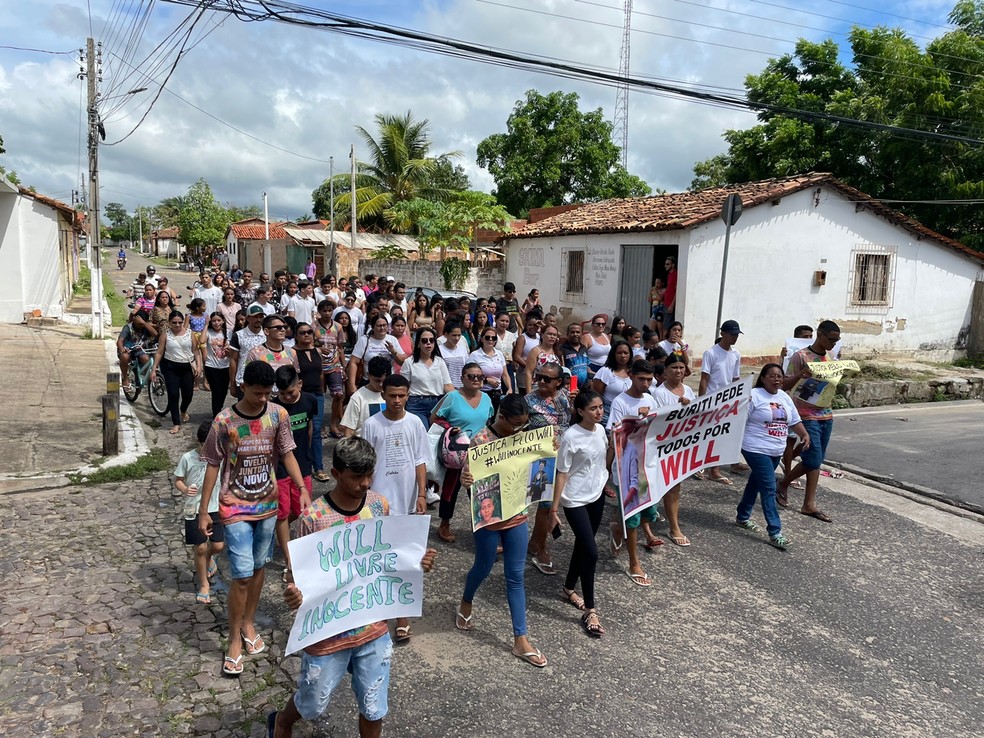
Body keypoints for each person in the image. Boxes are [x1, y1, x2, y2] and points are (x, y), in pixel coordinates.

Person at [270, 437, 437, 738]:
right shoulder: (312, 519)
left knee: (374, 707)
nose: (365, 483)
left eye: (369, 475)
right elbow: (297, 579)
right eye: (357, 477)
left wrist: (417, 563)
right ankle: (283, 721)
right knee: (312, 704)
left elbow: (389, 558)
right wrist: (293, 594)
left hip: (372, 630)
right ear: (335, 474)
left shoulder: (379, 505)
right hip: (327, 636)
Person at [199, 361, 308, 678]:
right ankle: (234, 639)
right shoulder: (224, 421)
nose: (263, 399)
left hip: (267, 505)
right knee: (242, 574)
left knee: (259, 567)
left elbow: (287, 453)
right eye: (257, 393)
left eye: (267, 394)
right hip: (234, 506)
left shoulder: (278, 416)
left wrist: (301, 487)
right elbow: (211, 464)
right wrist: (205, 510)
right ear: (243, 386)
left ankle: (249, 621)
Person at [456, 395, 546, 668]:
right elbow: (474, 488)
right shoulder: (481, 441)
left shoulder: (526, 438)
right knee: (482, 568)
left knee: (515, 576)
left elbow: (539, 465)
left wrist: (548, 449)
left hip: (518, 516)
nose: (520, 429)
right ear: (501, 417)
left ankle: (521, 639)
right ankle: (466, 600)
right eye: (516, 424)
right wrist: (466, 480)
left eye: (524, 424)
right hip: (489, 521)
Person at [362, 374, 429, 643]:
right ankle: (376, 614)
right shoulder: (371, 424)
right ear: (383, 395)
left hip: (407, 503)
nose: (397, 401)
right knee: (377, 560)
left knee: (406, 560)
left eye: (402, 396)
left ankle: (402, 618)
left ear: (408, 395)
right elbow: (365, 465)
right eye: (392, 395)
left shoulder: (415, 424)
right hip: (377, 504)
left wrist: (422, 494)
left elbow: (420, 460)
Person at [547, 390, 607, 637]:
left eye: (601, 407)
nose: (599, 412)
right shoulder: (571, 437)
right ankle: (590, 609)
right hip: (575, 499)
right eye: (593, 408)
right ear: (580, 411)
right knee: (591, 552)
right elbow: (562, 472)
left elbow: (604, 460)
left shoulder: (601, 431)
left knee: (584, 547)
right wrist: (554, 508)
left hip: (597, 493)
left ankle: (569, 587)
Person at [737, 364, 811, 550]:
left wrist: (804, 434)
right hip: (755, 448)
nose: (777, 379)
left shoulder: (784, 396)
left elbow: (794, 420)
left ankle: (742, 516)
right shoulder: (754, 396)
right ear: (763, 378)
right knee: (769, 488)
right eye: (772, 376)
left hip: (776, 450)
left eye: (780, 376)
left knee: (755, 482)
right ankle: (775, 531)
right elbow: (738, 421)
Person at [778, 320, 842, 523]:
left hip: (826, 413)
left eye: (837, 340)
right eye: (831, 339)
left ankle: (809, 503)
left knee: (816, 460)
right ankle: (783, 483)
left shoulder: (829, 357)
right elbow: (784, 384)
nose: (833, 343)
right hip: (806, 414)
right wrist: (800, 375)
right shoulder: (800, 356)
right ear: (820, 335)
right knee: (813, 459)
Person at [608, 359, 661, 586]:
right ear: (631, 376)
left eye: (649, 380)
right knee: (633, 517)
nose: (645, 383)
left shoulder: (651, 399)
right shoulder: (620, 402)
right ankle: (633, 563)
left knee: (648, 514)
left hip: (646, 468)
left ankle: (616, 528)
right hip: (626, 468)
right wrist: (636, 422)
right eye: (641, 379)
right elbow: (614, 435)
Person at [431, 362, 493, 543]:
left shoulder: (487, 399)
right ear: (462, 378)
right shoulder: (452, 397)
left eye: (480, 377)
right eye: (471, 376)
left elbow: (488, 423)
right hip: (457, 453)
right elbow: (434, 418)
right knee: (451, 490)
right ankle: (444, 523)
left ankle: (485, 529)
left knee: (481, 492)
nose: (476, 380)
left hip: (480, 452)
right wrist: (450, 428)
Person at [525, 361, 572, 575]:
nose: (541, 381)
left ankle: (536, 543)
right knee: (543, 504)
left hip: (563, 460)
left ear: (558, 382)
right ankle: (540, 548)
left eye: (547, 379)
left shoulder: (564, 398)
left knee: (550, 505)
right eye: (539, 377)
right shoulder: (528, 401)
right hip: (539, 462)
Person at [271, 365, 317, 581]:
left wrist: (311, 458)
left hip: (303, 463)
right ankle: (290, 561)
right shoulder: (273, 408)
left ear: (299, 385)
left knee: (301, 510)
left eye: (291, 392)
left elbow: (309, 429)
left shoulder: (310, 401)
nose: (287, 397)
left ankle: (276, 530)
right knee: (283, 511)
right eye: (282, 394)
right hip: (279, 466)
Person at [176, 420, 225, 605]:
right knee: (200, 547)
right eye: (206, 445)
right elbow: (178, 480)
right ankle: (204, 584)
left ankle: (208, 559)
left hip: (215, 507)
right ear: (199, 441)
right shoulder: (188, 458)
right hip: (194, 508)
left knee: (218, 545)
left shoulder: (222, 457)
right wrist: (184, 489)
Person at [651, 354, 695, 547]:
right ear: (666, 371)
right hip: (662, 445)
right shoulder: (659, 393)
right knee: (656, 485)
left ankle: (673, 526)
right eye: (674, 368)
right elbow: (658, 421)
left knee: (674, 486)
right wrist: (678, 408)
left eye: (681, 367)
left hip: (682, 445)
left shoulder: (689, 390)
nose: (678, 371)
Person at [699, 319, 745, 484]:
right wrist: (702, 401)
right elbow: (704, 379)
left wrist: (738, 398)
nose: (734, 338)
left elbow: (736, 379)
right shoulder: (711, 353)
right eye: (732, 334)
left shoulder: (736, 354)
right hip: (712, 398)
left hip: (727, 400)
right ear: (723, 334)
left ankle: (715, 469)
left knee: (722, 435)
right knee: (708, 435)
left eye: (736, 335)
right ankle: (701, 465)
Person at [152, 310, 200, 435]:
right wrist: (154, 369)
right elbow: (159, 352)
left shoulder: (190, 334)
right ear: (169, 322)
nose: (177, 325)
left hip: (186, 367)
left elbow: (196, 351)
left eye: (180, 322)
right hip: (171, 368)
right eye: (174, 323)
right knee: (173, 395)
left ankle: (183, 410)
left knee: (188, 394)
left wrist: (199, 366)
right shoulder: (165, 334)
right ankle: (176, 423)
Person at [292, 323, 329, 482]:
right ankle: (298, 465)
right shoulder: (292, 352)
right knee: (300, 431)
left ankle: (318, 467)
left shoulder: (317, 351)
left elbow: (320, 373)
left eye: (309, 332)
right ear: (296, 335)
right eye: (302, 332)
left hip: (317, 394)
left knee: (316, 431)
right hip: (301, 395)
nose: (306, 335)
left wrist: (321, 391)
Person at [781, 324, 815, 485]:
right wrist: (782, 357)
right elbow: (783, 375)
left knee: (807, 439)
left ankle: (790, 459)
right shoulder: (794, 354)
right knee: (790, 439)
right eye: (805, 336)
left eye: (810, 336)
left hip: (809, 401)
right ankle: (788, 472)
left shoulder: (814, 354)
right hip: (792, 400)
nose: (808, 339)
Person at [403, 327, 453, 428]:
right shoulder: (409, 362)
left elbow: (448, 386)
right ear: (418, 344)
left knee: (437, 435)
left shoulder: (440, 362)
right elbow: (404, 388)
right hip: (416, 404)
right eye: (424, 340)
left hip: (438, 403)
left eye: (431, 340)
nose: (428, 343)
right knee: (422, 432)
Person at [242, 315, 300, 397]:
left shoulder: (292, 352)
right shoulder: (255, 353)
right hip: (265, 400)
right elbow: (250, 380)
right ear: (266, 331)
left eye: (284, 327)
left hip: (287, 399)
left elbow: (296, 377)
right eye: (278, 327)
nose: (283, 330)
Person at [348, 315, 406, 395]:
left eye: (384, 325)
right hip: (368, 381)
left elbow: (402, 362)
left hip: (387, 382)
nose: (382, 328)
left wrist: (393, 352)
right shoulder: (364, 340)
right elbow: (353, 362)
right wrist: (352, 385)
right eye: (379, 325)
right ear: (372, 327)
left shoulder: (392, 339)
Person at [313, 300, 346, 438]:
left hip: (335, 364)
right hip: (319, 366)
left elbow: (341, 347)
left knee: (338, 394)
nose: (327, 313)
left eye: (329, 310)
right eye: (324, 311)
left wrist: (344, 367)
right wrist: (318, 348)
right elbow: (308, 345)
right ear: (319, 312)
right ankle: (320, 426)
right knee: (319, 396)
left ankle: (333, 424)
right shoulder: (313, 326)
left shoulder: (338, 327)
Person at [340, 355, 391, 437]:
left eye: (384, 381)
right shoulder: (358, 397)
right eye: (377, 380)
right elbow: (349, 430)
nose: (381, 384)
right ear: (369, 375)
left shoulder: (393, 395)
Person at [468, 325, 511, 410]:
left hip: (497, 393)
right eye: (487, 337)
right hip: (481, 392)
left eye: (493, 338)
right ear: (482, 339)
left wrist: (510, 388)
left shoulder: (499, 354)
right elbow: (470, 375)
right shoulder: (475, 355)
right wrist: (487, 380)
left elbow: (505, 375)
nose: (490, 340)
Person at [228, 305, 267, 397]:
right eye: (255, 317)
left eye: (261, 316)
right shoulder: (238, 335)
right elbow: (233, 360)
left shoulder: (267, 334)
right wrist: (232, 384)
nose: (258, 319)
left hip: (264, 379)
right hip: (244, 380)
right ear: (248, 318)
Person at [591, 340, 632, 427]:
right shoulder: (605, 372)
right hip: (608, 414)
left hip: (630, 414)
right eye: (619, 353)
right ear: (613, 354)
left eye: (625, 353)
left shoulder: (634, 372)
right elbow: (595, 396)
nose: (623, 356)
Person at [117, 309, 157, 389]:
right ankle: (125, 377)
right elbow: (120, 341)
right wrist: (122, 349)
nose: (140, 326)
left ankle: (145, 380)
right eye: (139, 324)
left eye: (141, 324)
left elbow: (155, 334)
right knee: (125, 357)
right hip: (128, 349)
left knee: (146, 359)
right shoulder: (128, 327)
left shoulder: (145, 326)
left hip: (140, 349)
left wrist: (144, 323)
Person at [203, 312, 231, 417]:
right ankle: (216, 415)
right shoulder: (208, 332)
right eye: (214, 320)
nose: (216, 323)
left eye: (219, 320)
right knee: (216, 392)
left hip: (225, 366)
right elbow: (201, 341)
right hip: (211, 366)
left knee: (223, 392)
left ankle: (218, 409)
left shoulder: (228, 333)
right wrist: (206, 325)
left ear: (223, 321)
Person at [512, 312, 542, 394]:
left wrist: (543, 325)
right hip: (524, 373)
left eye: (535, 325)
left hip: (537, 375)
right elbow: (516, 356)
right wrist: (530, 367)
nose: (532, 327)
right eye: (530, 325)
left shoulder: (540, 337)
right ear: (526, 325)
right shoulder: (522, 338)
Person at [438, 319, 470, 389]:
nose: (457, 338)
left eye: (459, 335)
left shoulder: (462, 349)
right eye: (454, 335)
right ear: (446, 335)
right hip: (445, 388)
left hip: (462, 387)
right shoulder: (439, 350)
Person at [561, 322, 590, 390]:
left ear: (582, 334)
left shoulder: (584, 348)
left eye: (578, 332)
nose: (575, 334)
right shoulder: (562, 349)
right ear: (567, 334)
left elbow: (587, 366)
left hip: (585, 387)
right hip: (571, 387)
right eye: (572, 332)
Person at [662, 256, 678, 333]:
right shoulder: (669, 274)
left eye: (668, 264)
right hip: (666, 302)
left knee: (667, 327)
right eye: (665, 264)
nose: (666, 266)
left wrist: (672, 305)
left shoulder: (675, 275)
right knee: (663, 325)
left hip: (669, 304)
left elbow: (676, 291)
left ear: (673, 265)